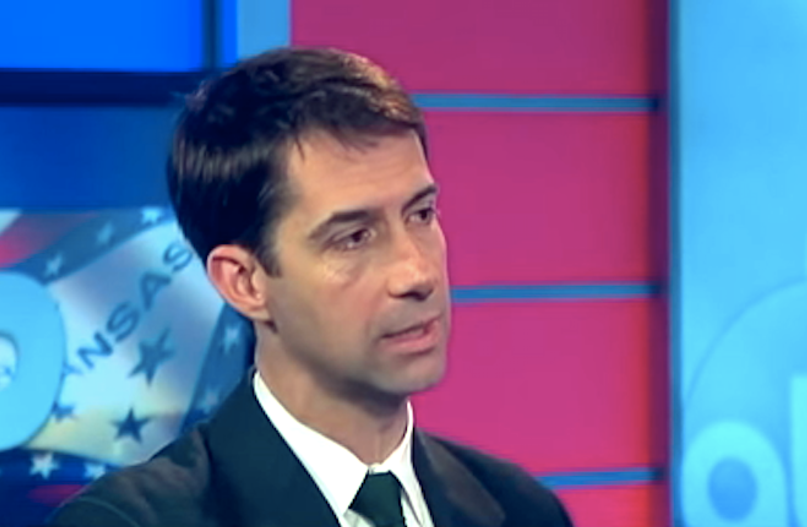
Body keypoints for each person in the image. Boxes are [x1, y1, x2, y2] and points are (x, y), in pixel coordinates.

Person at [49, 47, 573, 527]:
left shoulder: (522, 510)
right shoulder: (129, 521)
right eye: (354, 237)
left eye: (421, 214)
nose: (417, 273)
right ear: (245, 282)